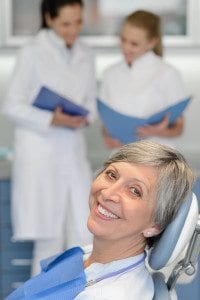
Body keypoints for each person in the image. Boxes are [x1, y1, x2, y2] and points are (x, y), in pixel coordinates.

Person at [6, 141, 195, 300]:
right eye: (112, 175)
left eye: (135, 191)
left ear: (155, 225)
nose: (108, 193)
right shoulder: (88, 255)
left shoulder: (110, 294)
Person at [3, 0, 97, 276]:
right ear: (49, 18)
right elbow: (11, 105)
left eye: (78, 22)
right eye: (66, 23)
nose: (73, 30)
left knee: (84, 239)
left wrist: (84, 116)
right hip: (41, 156)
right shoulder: (32, 52)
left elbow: (91, 100)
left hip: (73, 154)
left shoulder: (86, 53)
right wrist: (51, 119)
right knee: (49, 246)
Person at [100, 10, 189, 149]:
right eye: (123, 39)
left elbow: (179, 127)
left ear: (152, 42)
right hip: (122, 159)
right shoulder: (110, 74)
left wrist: (160, 131)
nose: (126, 47)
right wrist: (107, 137)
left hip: (157, 159)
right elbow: (106, 123)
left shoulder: (167, 73)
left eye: (134, 44)